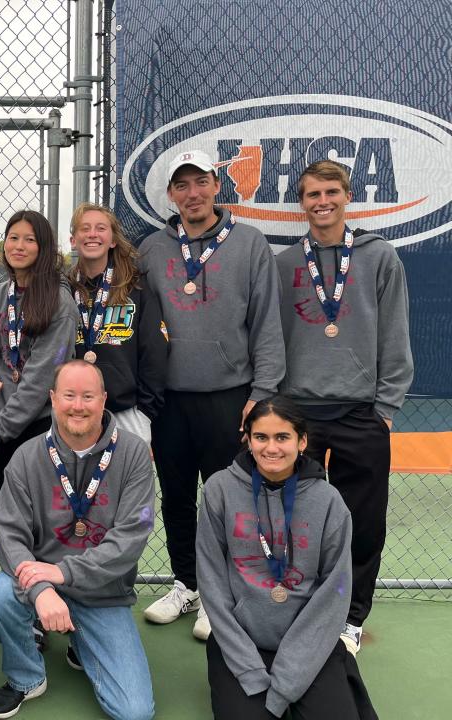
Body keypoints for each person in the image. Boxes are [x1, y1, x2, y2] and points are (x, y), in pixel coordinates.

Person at [137, 150, 286, 640]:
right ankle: (187, 583)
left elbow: (266, 322)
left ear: (216, 186)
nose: (193, 193)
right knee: (176, 497)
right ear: (171, 195)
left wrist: (262, 391)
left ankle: (221, 593)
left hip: (231, 395)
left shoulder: (248, 243)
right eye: (182, 186)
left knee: (226, 499)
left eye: (200, 182)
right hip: (170, 400)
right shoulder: (152, 250)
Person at [276, 160, 413, 654]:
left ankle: (351, 617)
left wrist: (385, 407)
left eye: (331, 191)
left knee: (362, 521)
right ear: (302, 202)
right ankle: (300, 605)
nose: (323, 201)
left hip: (361, 414)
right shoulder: (286, 263)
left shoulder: (379, 257)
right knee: (297, 519)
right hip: (301, 415)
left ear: (347, 195)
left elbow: (396, 336)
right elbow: (274, 341)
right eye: (313, 194)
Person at [0, 359, 156, 720]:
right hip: (44, 583)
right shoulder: (26, 457)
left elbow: (130, 539)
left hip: (102, 591)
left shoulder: (135, 453)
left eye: (88, 396)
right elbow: (10, 537)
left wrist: (61, 574)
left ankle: (82, 642)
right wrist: (41, 589)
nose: (78, 406)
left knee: (134, 712)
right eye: (69, 395)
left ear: (104, 399)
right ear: (53, 398)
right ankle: (27, 678)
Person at [196, 396, 378, 719]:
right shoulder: (219, 490)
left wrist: (287, 681)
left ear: (302, 441)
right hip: (242, 644)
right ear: (248, 440)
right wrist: (250, 670)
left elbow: (334, 593)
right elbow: (211, 584)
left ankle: (334, 674)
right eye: (261, 437)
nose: (271, 448)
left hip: (309, 645)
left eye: (282, 437)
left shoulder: (329, 501)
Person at [0, 210, 80, 546]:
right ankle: (13, 591)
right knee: (0, 519)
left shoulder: (58, 300)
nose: (19, 246)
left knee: (43, 521)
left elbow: (40, 379)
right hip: (2, 420)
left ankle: (45, 591)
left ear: (44, 247)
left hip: (41, 426)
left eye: (29, 240)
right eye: (13, 237)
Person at [67, 202, 168, 443]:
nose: (92, 234)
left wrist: (145, 412)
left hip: (125, 411)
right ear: (73, 240)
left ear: (112, 240)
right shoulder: (64, 290)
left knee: (127, 481)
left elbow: (154, 353)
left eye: (101, 228)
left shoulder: (137, 288)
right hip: (73, 411)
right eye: (85, 228)